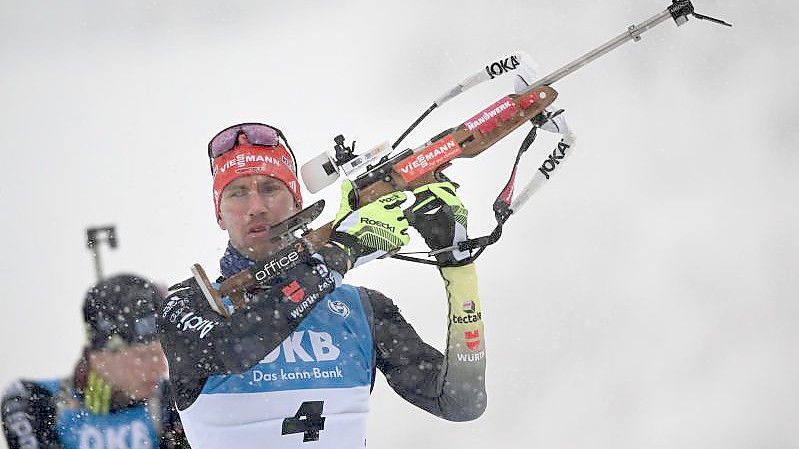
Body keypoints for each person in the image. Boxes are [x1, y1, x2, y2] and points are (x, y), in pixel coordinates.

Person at [158, 123, 486, 449]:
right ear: (220, 214)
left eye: (270, 188)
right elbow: (234, 347)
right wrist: (338, 256)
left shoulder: (362, 310)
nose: (256, 207)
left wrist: (459, 270)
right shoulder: (187, 304)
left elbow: (459, 402)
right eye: (238, 192)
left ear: (297, 201)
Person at [2, 274, 190, 449]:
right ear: (99, 357)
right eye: (144, 356)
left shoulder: (174, 404)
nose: (161, 367)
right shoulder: (33, 401)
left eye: (163, 353)